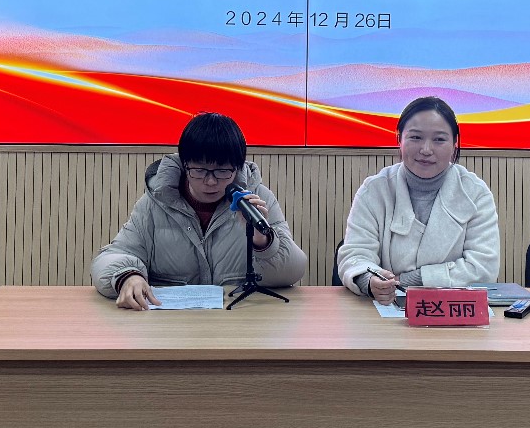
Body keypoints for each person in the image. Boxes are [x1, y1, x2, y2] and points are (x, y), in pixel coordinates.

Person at [92, 112, 306, 309]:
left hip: (237, 320)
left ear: (238, 167)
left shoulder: (257, 198)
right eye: (200, 170)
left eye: (222, 171)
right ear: (185, 165)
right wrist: (127, 276)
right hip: (169, 325)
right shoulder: (156, 202)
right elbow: (110, 258)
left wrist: (263, 241)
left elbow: (293, 271)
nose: (210, 181)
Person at [337, 96, 500, 304]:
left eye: (439, 139)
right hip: (384, 309)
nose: (426, 150)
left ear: (454, 144)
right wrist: (370, 281)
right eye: (415, 137)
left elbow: (484, 268)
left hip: (453, 310)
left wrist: (411, 280)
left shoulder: (475, 193)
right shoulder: (374, 190)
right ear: (399, 139)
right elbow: (354, 255)